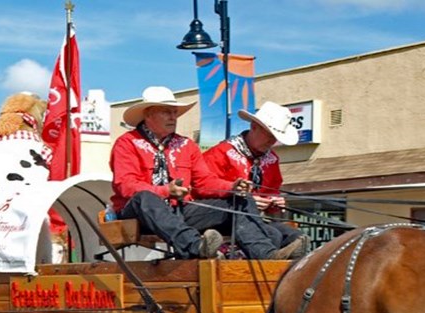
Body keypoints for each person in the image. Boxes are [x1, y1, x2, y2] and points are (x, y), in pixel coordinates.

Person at [110, 86, 299, 260]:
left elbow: (203, 181)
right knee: (146, 197)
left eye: (175, 112)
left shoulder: (187, 145)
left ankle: (266, 254)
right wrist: (166, 191)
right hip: (138, 214)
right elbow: (126, 186)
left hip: (180, 210)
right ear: (148, 114)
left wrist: (231, 187)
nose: (173, 117)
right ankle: (196, 246)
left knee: (241, 199)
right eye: (166, 112)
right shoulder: (127, 143)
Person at [201, 101, 309, 258]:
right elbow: (202, 188)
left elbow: (271, 193)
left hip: (252, 221)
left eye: (276, 137)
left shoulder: (271, 160)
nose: (272, 141)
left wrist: (274, 202)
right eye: (269, 135)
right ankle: (268, 263)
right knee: (273, 234)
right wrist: (247, 199)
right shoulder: (220, 153)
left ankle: (292, 276)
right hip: (222, 217)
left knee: (294, 236)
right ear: (254, 127)